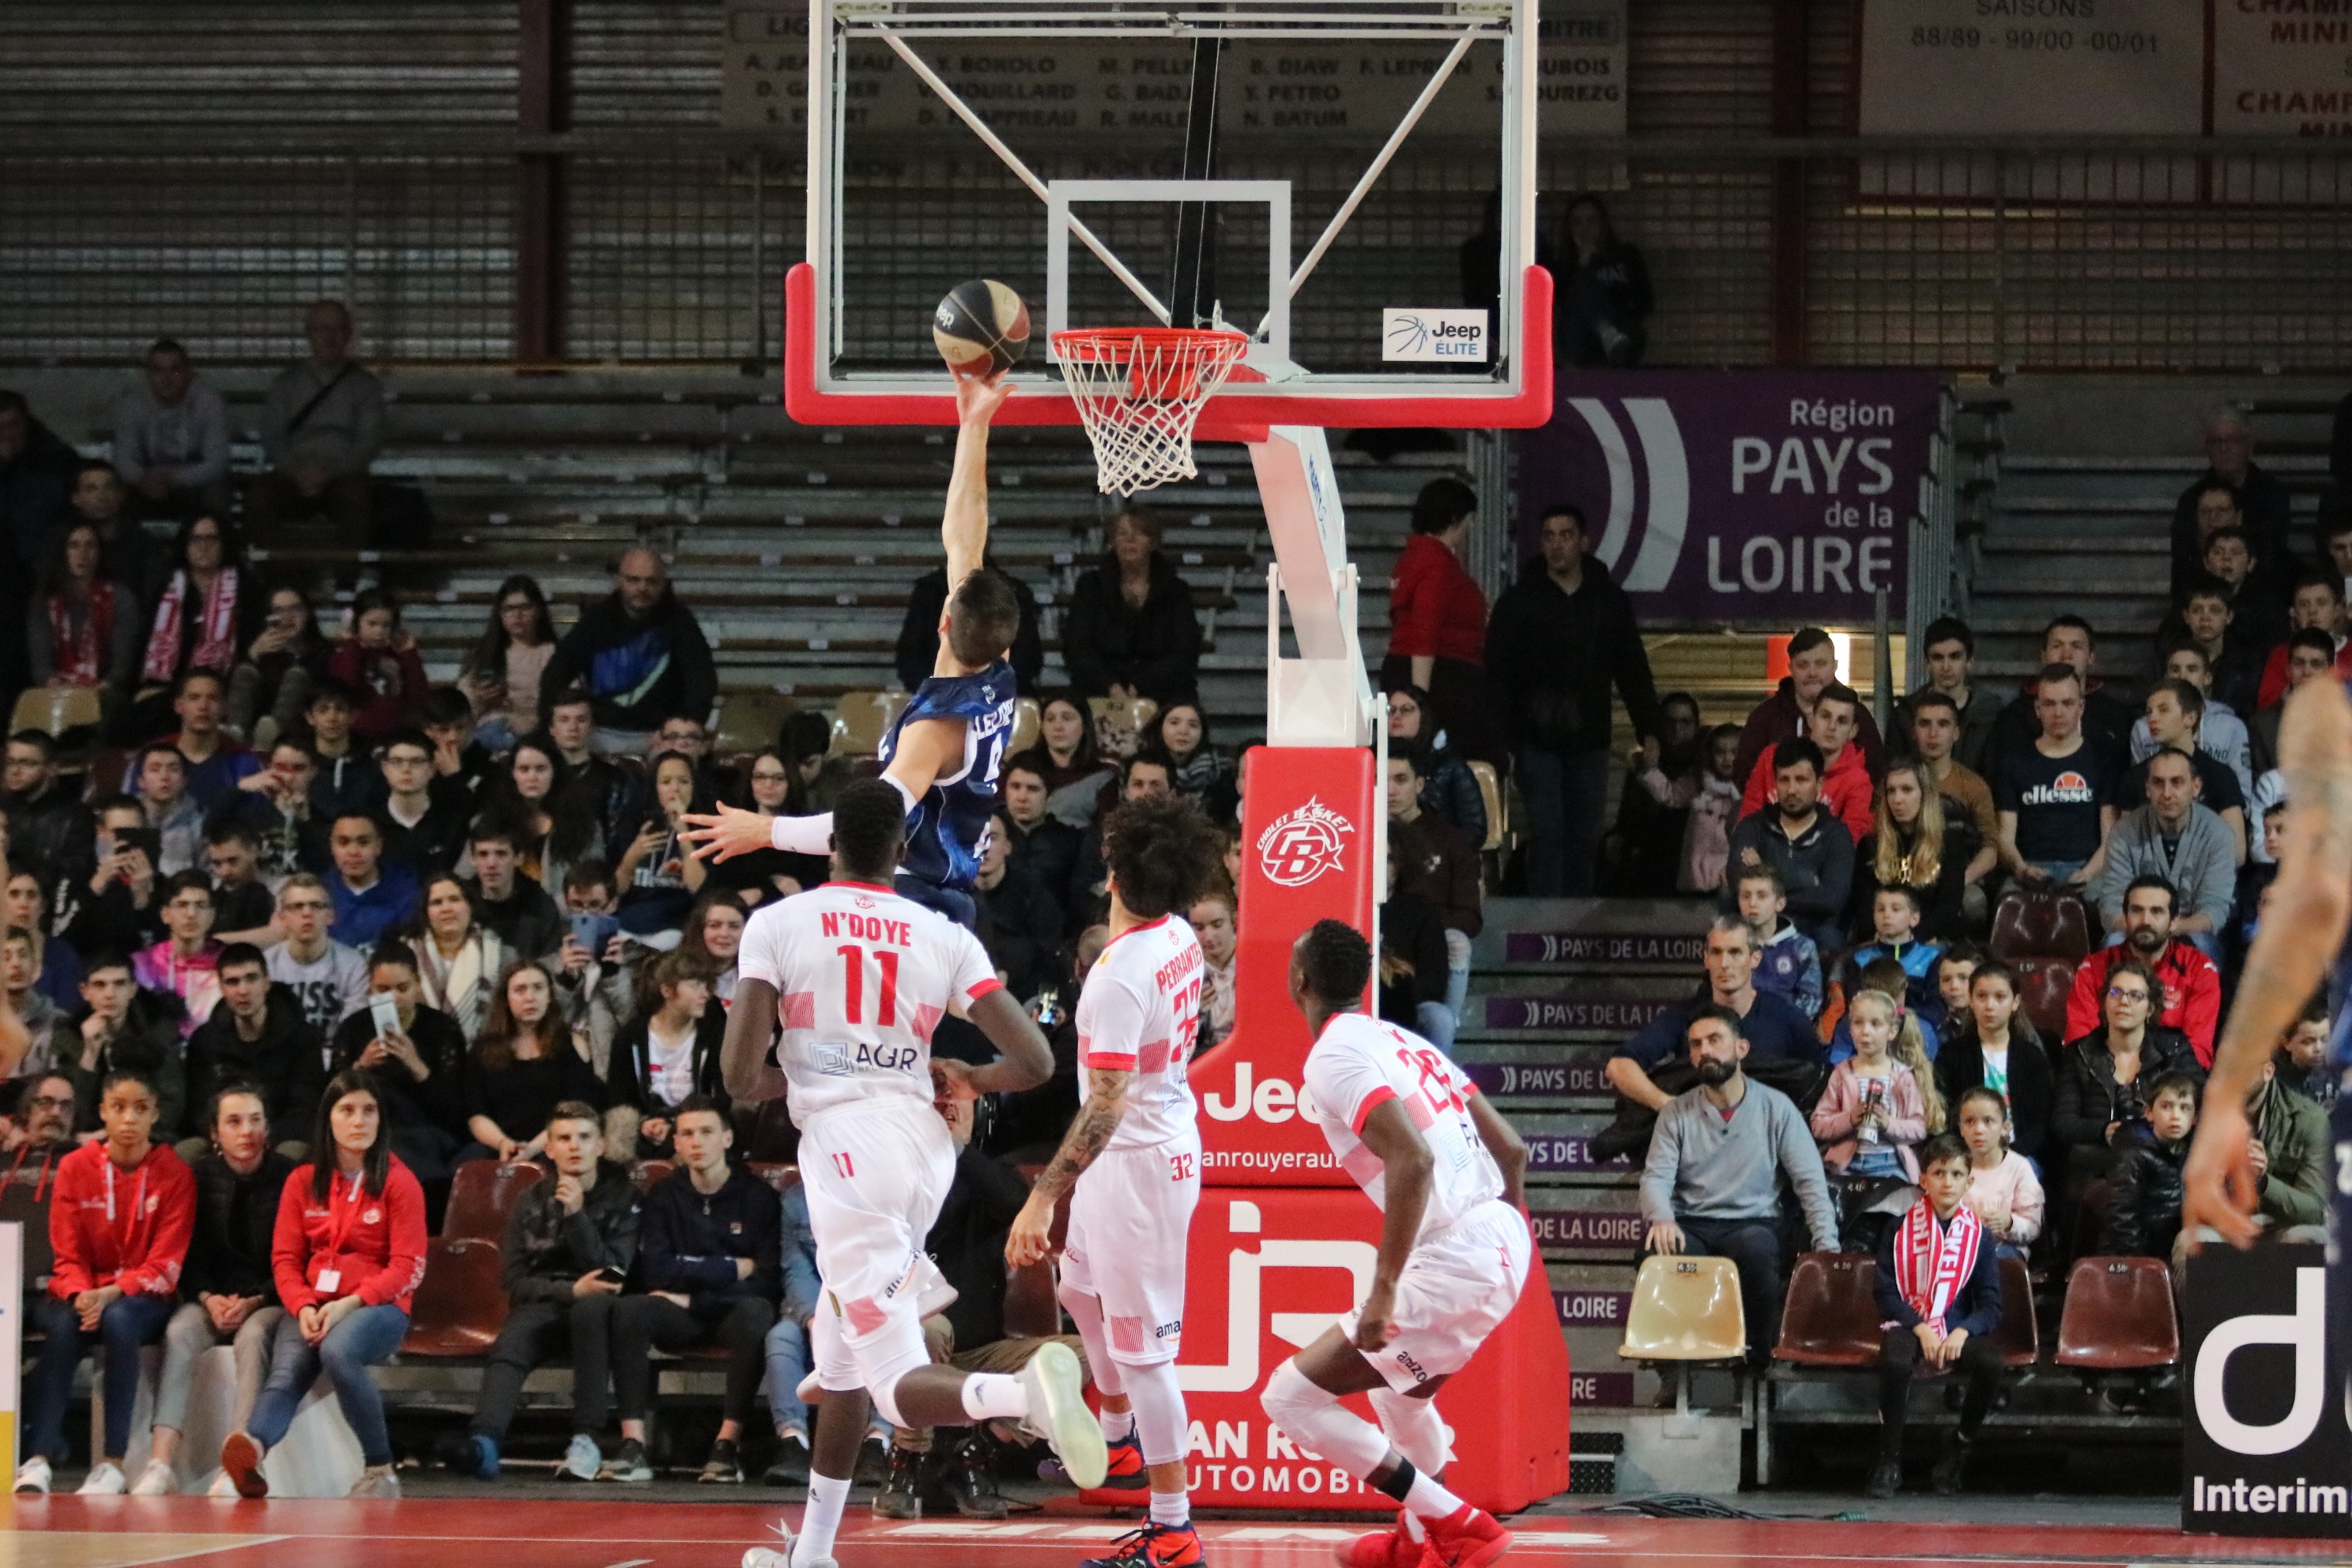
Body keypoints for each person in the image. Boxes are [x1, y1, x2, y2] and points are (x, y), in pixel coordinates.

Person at [722, 778, 1081, 1566]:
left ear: (831, 842)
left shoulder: (778, 923)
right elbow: (1038, 1059)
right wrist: (970, 1077)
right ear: (902, 848)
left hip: (850, 1149)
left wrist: (804, 1075)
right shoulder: (941, 931)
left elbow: (742, 1078)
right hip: (924, 1144)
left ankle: (1025, 1397)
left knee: (890, 1379)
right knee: (843, 1349)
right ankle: (813, 1552)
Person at [688, 378, 1025, 933]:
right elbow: (966, 535)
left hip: (919, 902)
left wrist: (764, 832)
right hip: (940, 895)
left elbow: (869, 823)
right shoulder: (999, 669)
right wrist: (974, 426)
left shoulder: (936, 732)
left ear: (942, 621)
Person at [1262, 918, 1532, 1568]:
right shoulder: (1402, 1039)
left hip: (1458, 1250)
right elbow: (1513, 1148)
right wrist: (1507, 1238)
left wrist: (1382, 1293)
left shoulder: (1332, 1056)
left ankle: (1459, 1522)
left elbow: (1412, 1161)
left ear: (1299, 981)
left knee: (1289, 1397)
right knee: (1401, 1397)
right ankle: (1415, 1542)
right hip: (1500, 1233)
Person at [1001, 792, 1224, 1568]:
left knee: (1147, 1355)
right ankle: (1121, 1438)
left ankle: (1173, 1530)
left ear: (1112, 872)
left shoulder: (1117, 978)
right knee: (1077, 1290)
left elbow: (1105, 1105)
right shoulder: (1177, 935)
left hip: (1137, 1166)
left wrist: (1042, 1194)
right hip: (1137, 1148)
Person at [220, 1070, 424, 1499]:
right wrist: (302, 1305)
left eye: (369, 1111)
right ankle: (252, 1450)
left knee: (337, 1350)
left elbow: (407, 1267)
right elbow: (285, 1259)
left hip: (379, 1307)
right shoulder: (302, 1181)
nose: (359, 1121)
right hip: (316, 1303)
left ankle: (380, 1469)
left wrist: (350, 1304)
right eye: (347, 1110)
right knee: (285, 1373)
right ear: (328, 1119)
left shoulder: (400, 1182)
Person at [12, 1069, 193, 1496]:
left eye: (140, 1109)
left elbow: (166, 1261)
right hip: (83, 1291)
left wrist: (110, 1293)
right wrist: (79, 1294)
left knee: (120, 1321)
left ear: (155, 1115)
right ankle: (38, 1458)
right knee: (58, 1325)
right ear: (102, 1114)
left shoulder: (174, 1173)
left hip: (141, 1297)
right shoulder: (76, 1167)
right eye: (118, 1108)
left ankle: (111, 1462)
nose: (129, 1119)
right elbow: (66, 1251)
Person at [439, 1100, 641, 1483]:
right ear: (549, 1149)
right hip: (549, 1299)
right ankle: (484, 1442)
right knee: (513, 1340)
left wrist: (577, 1215)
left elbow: (615, 1274)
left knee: (592, 1311)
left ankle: (586, 1439)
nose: (575, 1146)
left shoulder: (624, 1197)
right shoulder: (529, 1200)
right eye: (564, 1139)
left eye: (584, 1137)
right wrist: (570, 1290)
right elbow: (514, 1282)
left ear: (600, 1145)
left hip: (602, 1307)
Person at [1638, 1004, 1839, 1365]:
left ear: (1741, 1049)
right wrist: (1661, 1218)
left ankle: (1758, 1358)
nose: (1704, 1052)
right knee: (1660, 1253)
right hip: (1693, 1225)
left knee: (1758, 1248)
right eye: (1696, 1045)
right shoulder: (1676, 1114)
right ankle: (1674, 1369)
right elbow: (1656, 1176)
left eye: (1715, 1040)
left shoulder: (1777, 1108)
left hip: (1753, 1222)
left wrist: (1826, 1245)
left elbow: (1810, 1182)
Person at [1483, 502, 1660, 894]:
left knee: (1584, 836)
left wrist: (1649, 729)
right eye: (1549, 537)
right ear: (1540, 544)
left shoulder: (1609, 601)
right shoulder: (1517, 603)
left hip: (1591, 740)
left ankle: (1576, 925)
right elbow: (1498, 676)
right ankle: (1546, 923)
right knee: (1547, 833)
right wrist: (1502, 741)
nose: (1557, 545)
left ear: (1584, 541)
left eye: (1566, 535)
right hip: (1534, 739)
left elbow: (1632, 668)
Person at [597, 1099, 778, 1484]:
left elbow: (765, 1281)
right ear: (676, 1143)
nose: (696, 1141)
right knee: (630, 1310)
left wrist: (694, 1291)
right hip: (682, 1314)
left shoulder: (758, 1197)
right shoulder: (664, 1196)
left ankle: (726, 1444)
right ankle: (633, 1445)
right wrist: (732, 1268)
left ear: (727, 1138)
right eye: (687, 1133)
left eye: (707, 1132)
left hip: (730, 1313)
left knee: (757, 1312)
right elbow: (657, 1270)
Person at [137, 1081, 295, 1495]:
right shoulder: (197, 1177)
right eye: (234, 1121)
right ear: (215, 1133)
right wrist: (209, 1298)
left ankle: (238, 1463)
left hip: (268, 1297)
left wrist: (257, 1299)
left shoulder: (289, 1177)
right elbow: (187, 1255)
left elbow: (295, 1257)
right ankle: (160, 1464)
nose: (247, 1131)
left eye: (256, 1120)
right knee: (180, 1332)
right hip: (211, 1297)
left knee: (256, 1336)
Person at [1864, 1133, 2005, 1499]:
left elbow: (1990, 1306)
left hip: (1956, 1327)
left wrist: (1964, 1332)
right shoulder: (1897, 1230)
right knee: (1895, 1359)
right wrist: (1920, 1326)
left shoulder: (1980, 1238)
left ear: (1968, 1181)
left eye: (1957, 1174)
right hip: (1910, 1322)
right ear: (1923, 1179)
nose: (1948, 1182)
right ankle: (1889, 1460)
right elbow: (1885, 1292)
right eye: (1939, 1173)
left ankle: (1960, 1445)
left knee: (1991, 1364)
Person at [1607, 917, 1823, 1113]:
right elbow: (1618, 1066)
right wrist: (1665, 1104)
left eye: (1735, 952)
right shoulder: (1684, 1015)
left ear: (1755, 958)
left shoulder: (1787, 1018)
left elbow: (1820, 1081)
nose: (1724, 964)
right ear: (1706, 959)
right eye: (1716, 953)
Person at [2050, 957, 2201, 1206]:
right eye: (2116, 992)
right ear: (2105, 1001)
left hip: (2164, 1156)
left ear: (2151, 1008)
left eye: (2136, 996)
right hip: (2100, 1163)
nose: (2124, 1002)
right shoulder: (2080, 1054)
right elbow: (2063, 1123)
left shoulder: (2174, 1049)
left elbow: (2198, 1108)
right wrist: (2104, 1131)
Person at [536, 548, 716, 755]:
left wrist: (679, 730)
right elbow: (556, 672)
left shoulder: (681, 623)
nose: (642, 588)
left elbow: (702, 680)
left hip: (658, 736)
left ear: (664, 584)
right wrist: (549, 725)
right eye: (633, 580)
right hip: (599, 731)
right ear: (619, 581)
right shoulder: (596, 620)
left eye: (651, 581)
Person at [328, 948, 469, 1193]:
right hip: (367, 1128)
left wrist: (416, 1065)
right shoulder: (354, 1028)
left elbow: (456, 1108)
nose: (393, 998)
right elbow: (328, 1097)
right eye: (383, 990)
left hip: (425, 1132)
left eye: (402, 989)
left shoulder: (442, 1029)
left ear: (417, 984)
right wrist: (360, 1066)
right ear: (370, 988)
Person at [1381, 477, 1499, 767]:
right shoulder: (1436, 564)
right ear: (1456, 519)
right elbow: (1425, 630)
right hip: (1443, 681)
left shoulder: (1414, 557)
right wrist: (1420, 703)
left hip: (1420, 673)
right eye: (1468, 519)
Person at [248, 301, 383, 540]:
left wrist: (329, 473)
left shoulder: (366, 386)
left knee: (358, 500)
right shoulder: (285, 384)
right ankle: (274, 573)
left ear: (349, 335)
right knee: (259, 496)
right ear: (308, 334)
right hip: (291, 472)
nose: (330, 337)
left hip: (344, 474)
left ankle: (346, 576)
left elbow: (367, 444)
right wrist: (295, 470)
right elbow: (272, 436)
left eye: (338, 329)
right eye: (321, 329)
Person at [2089, 752, 2236, 967]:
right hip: (2137, 930)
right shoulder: (2123, 833)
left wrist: (2163, 929)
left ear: (2196, 787)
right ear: (2147, 789)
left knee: (2204, 947)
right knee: (2114, 942)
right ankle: (2117, 999)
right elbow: (2112, 907)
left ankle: (2201, 1001)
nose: (2167, 793)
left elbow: (2213, 912)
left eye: (2177, 782)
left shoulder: (2218, 834)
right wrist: (2147, 930)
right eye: (2158, 783)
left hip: (2191, 930)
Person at [128, 515, 261, 743]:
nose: (204, 547)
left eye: (211, 539)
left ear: (224, 544)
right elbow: (144, 642)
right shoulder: (167, 588)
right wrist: (145, 686)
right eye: (196, 539)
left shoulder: (246, 589)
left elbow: (249, 647)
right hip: (166, 687)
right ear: (185, 546)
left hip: (221, 688)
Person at [2067, 874, 2223, 1065]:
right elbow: (2081, 1043)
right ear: (2125, 917)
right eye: (2136, 911)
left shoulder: (2199, 969)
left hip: (2171, 1083)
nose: (2145, 921)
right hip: (2106, 1078)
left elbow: (2197, 1050)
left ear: (2173, 922)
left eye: (2157, 912)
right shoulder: (2093, 968)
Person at [458, 959, 601, 1164]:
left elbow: (579, 1109)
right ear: (506, 999)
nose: (530, 997)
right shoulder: (483, 1050)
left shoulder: (571, 1045)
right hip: (498, 1148)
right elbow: (476, 1114)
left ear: (550, 995)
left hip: (557, 1147)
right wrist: (503, 1143)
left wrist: (533, 1148)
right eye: (520, 990)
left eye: (538, 988)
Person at [184, 945, 326, 1150]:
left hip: (280, 1138)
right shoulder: (205, 1040)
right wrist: (227, 1138)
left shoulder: (302, 1037)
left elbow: (306, 1108)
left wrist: (264, 1137)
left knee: (292, 1151)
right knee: (187, 1151)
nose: (243, 990)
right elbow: (198, 1108)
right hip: (223, 1138)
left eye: (251, 979)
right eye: (233, 982)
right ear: (222, 988)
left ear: (266, 982)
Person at [1992, 664, 2116, 891]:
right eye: (2050, 704)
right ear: (2038, 709)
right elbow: (2005, 837)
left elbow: (2110, 838)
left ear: (2081, 708)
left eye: (2067, 703)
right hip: (2030, 868)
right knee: (2008, 907)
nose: (2058, 712)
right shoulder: (2014, 761)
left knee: (2106, 907)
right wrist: (2021, 869)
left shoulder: (2102, 759)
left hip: (2088, 869)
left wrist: (2087, 873)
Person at [1059, 510, 1202, 706]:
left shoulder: (1175, 590)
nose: (1130, 540)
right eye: (1122, 533)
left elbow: (1185, 652)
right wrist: (1112, 686)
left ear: (1153, 542)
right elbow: (1077, 648)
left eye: (1139, 533)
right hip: (1099, 692)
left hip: (1163, 693)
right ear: (1113, 542)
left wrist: (1141, 685)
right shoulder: (1090, 587)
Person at [1724, 738, 1855, 952]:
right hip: (1759, 928)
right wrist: (1806, 883)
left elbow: (1832, 899)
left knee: (1831, 937)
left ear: (1819, 784)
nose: (1791, 790)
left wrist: (1767, 878)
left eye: (1801, 780)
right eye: (1784, 780)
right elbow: (1736, 878)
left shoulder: (1836, 834)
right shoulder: (1753, 826)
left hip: (1814, 933)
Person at [1388, 745, 1481, 1029]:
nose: (1390, 790)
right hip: (1379, 929)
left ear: (1419, 784)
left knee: (1457, 942)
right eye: (1382, 780)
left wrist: (1424, 927)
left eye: (1401, 780)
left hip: (1431, 935)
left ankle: (1443, 1027)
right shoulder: (1358, 833)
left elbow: (1470, 915)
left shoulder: (1450, 840)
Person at [605, 949, 725, 1161]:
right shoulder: (632, 1035)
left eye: (706, 986)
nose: (705, 994)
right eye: (695, 985)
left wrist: (674, 1125)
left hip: (694, 1127)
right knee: (618, 1129)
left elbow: (719, 1099)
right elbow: (619, 1097)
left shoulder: (713, 1035)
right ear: (667, 991)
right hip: (644, 1128)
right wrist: (644, 1124)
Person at [1933, 961, 2055, 1165]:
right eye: (1981, 996)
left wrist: (2010, 1155)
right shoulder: (1952, 1054)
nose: (1990, 1006)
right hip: (1967, 1155)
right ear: (1971, 1000)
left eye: (2000, 997)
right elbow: (1945, 1115)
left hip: (2019, 1156)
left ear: (2015, 1002)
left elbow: (2041, 1124)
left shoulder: (2031, 1057)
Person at [1733, 627, 1887, 788]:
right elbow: (1745, 776)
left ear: (1835, 666)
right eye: (1803, 665)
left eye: (1820, 664)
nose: (1812, 673)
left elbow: (1876, 775)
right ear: (1790, 668)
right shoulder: (1765, 718)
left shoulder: (1858, 715)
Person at [59, 953, 187, 1143]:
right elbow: (71, 1111)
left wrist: (114, 1135)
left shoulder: (157, 1032)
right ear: (85, 991)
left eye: (119, 984)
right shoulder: (68, 1035)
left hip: (149, 1138)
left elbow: (171, 1105)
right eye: (100, 985)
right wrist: (90, 1054)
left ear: (132, 989)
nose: (110, 994)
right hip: (86, 1139)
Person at [2171, 409, 2297, 601]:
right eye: (2216, 442)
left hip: (2261, 588)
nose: (2224, 448)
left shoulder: (2272, 494)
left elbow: (2272, 548)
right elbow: (2183, 551)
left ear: (2249, 446)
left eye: (2232, 440)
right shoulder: (2191, 498)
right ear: (2206, 448)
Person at [1812, 988, 1932, 1185]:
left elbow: (1919, 1128)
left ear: (1892, 1031)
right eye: (1858, 1023)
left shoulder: (1903, 1077)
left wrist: (1888, 1124)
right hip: (1846, 1166)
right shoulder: (1842, 1073)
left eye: (1875, 1024)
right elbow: (1818, 1125)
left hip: (1891, 1165)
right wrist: (1849, 1119)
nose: (1865, 1031)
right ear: (1850, 1028)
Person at [2121, 680, 2248, 864]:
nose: (2152, 718)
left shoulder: (2220, 775)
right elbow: (2125, 846)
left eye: (2163, 710)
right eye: (2149, 712)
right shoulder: (2135, 777)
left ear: (2190, 718)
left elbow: (2236, 853)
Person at [1988, 617, 2135, 775]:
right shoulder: (2015, 715)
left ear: (2091, 656)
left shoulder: (2116, 715)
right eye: (2057, 646)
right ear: (2043, 655)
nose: (2066, 655)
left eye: (2076, 646)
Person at [1851, 759, 1977, 942]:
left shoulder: (1949, 843)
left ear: (1925, 794)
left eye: (1907, 790)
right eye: (1891, 791)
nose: (1897, 799)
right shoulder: (1871, 845)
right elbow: (1863, 908)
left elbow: (1948, 908)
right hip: (1881, 941)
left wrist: (1911, 938)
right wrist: (1888, 937)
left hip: (1931, 941)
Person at [473, 735, 605, 908]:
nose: (532, 777)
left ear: (555, 773)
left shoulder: (584, 826)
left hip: (564, 920)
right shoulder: (490, 822)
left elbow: (596, 884)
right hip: (502, 916)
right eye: (524, 769)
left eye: (541, 769)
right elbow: (464, 877)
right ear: (513, 774)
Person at [1739, 681, 1874, 848]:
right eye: (1825, 716)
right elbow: (1748, 816)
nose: (1832, 727)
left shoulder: (1858, 780)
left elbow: (1849, 840)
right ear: (1811, 720)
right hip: (1765, 860)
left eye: (1842, 721)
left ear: (1853, 731)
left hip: (1820, 866)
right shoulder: (1771, 757)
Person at [112, 339, 232, 523]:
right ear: (147, 375)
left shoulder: (210, 402)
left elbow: (217, 461)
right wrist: (143, 478)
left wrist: (176, 480)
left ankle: (216, 545)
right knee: (117, 490)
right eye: (157, 370)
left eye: (174, 370)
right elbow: (123, 458)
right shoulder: (132, 404)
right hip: (147, 485)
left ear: (188, 373)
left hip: (193, 485)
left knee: (217, 489)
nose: (166, 378)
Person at [895, 548, 1044, 695]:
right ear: (945, 628)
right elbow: (909, 657)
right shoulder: (929, 592)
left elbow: (1028, 658)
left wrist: (990, 691)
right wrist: (939, 692)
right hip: (940, 696)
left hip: (999, 698)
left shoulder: (1014, 592)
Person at [28, 520, 141, 709]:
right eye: (74, 546)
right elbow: (41, 665)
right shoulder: (44, 600)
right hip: (55, 693)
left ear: (100, 553)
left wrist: (98, 691)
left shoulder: (121, 598)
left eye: (90, 546)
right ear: (62, 552)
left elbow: (122, 664)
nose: (83, 554)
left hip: (104, 693)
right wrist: (60, 690)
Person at [458, 574, 558, 754]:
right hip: (490, 730)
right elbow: (460, 708)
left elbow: (568, 701)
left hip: (536, 731)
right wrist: (479, 698)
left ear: (538, 611)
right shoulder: (485, 653)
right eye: (509, 609)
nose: (517, 615)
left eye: (524, 608)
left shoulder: (552, 653)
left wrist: (534, 718)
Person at [616, 749, 710, 934]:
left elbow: (700, 890)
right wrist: (631, 858)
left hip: (678, 929)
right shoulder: (633, 826)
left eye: (683, 782)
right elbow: (615, 892)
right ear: (655, 788)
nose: (675, 789)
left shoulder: (705, 832)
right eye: (666, 782)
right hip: (628, 925)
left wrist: (683, 833)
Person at [1897, 617, 2006, 775]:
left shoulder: (1993, 714)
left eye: (1954, 657)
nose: (1946, 667)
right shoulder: (1905, 715)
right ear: (1927, 663)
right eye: (1937, 657)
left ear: (1969, 661)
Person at [1555, 192, 1653, 368]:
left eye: (1592, 221)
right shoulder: (1563, 266)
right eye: (1577, 221)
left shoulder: (1627, 255)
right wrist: (1582, 266)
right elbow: (1563, 307)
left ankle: (1610, 336)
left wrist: (1610, 306)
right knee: (1581, 288)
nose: (1584, 228)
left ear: (1603, 225)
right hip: (1582, 340)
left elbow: (1645, 300)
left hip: (1623, 331)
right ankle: (1606, 334)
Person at [974, 812, 1064, 1003]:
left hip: (1024, 997)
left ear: (1007, 846)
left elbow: (1049, 962)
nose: (983, 846)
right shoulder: (952, 895)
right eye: (975, 836)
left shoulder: (1035, 895)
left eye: (992, 837)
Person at [266, 873, 369, 1038]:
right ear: (282, 918)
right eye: (297, 906)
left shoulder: (354, 965)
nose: (307, 913)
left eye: (316, 905)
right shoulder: (267, 964)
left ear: (331, 916)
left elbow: (353, 1028)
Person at [410, 873, 511, 1041]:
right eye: (436, 903)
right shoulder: (405, 955)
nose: (446, 908)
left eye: (455, 899)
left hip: (488, 1052)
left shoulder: (501, 955)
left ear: (470, 905)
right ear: (426, 912)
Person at [1385, 685, 1488, 848]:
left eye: (1406, 710)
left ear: (1424, 717)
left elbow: (1474, 829)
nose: (1396, 716)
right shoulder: (1371, 762)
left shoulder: (1450, 765)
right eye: (1390, 710)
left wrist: (1437, 850)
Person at [1955, 1085, 2044, 1256]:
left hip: (2005, 1251)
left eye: (1988, 1121)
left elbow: (2033, 1227)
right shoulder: (1955, 1168)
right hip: (1961, 1251)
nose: (1978, 1130)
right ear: (1961, 1129)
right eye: (1969, 1121)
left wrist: (2010, 1223)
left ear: (2005, 1127)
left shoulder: (2020, 1168)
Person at [135, 870, 224, 1041]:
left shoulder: (228, 966)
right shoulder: (142, 966)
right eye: (182, 905)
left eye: (200, 905)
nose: (191, 914)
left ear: (212, 915)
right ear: (165, 915)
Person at [236, 583, 325, 746]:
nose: (287, 617)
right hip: (255, 727)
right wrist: (252, 656)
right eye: (278, 611)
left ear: (307, 613)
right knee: (244, 670)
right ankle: (234, 734)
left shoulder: (324, 650)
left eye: (295, 609)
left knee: (296, 675)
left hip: (304, 726)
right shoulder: (259, 651)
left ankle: (273, 733)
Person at [4, 730, 96, 888]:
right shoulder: (2, 810)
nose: (15, 771)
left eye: (27, 763)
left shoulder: (75, 815)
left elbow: (76, 872)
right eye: (11, 762)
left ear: (52, 768)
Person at [378, 729, 473, 880]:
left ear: (432, 769)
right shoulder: (370, 823)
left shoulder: (452, 820)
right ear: (384, 768)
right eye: (397, 762)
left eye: (416, 762)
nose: (406, 769)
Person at [466, 819, 567, 959]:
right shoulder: (461, 902)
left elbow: (551, 961)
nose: (491, 864)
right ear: (472, 859)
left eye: (501, 854)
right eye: (483, 854)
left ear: (519, 858)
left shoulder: (540, 906)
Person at [1736, 865, 1822, 1020]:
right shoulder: (1730, 944)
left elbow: (1811, 999)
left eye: (1762, 896)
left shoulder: (1802, 947)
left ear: (1780, 904)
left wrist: (1782, 1026)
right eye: (1746, 896)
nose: (1752, 903)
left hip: (1784, 1030)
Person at [325, 813, 420, 952]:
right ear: (332, 847)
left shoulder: (407, 894)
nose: (353, 852)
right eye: (344, 842)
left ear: (379, 846)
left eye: (363, 842)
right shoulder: (319, 892)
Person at [1847, 887, 1943, 1020]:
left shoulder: (1930, 957)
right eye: (1880, 909)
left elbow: (1936, 1008)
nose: (1887, 915)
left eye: (1896, 909)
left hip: (1916, 1028)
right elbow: (1854, 1003)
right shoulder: (1860, 958)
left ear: (1914, 918)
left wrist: (1902, 1015)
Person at [1675, 724, 1746, 894]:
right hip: (1695, 875)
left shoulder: (1747, 792)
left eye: (1734, 752)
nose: (1727, 758)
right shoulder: (1700, 785)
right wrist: (1649, 771)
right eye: (1720, 752)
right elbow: (1671, 793)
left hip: (1728, 877)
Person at [1148, 701, 1237, 824]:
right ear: (1160, 727)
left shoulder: (1221, 775)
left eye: (1193, 725)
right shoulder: (1143, 770)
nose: (1183, 731)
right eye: (1174, 723)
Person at [131, 743, 205, 876]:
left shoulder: (200, 822)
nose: (164, 777)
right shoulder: (125, 818)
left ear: (184, 781)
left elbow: (211, 874)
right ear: (141, 781)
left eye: (173, 769)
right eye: (155, 769)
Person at [1190, 888, 1237, 1054]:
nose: (1208, 937)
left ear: (1235, 921)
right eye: (1199, 928)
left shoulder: (1256, 962)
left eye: (1217, 925)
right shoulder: (1184, 973)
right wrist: (1193, 1015)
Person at [2277, 996, 2335, 1110]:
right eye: (2308, 1042)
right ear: (2287, 1043)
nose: (2319, 1048)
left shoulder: (2339, 1074)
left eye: (2325, 1040)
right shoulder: (2274, 1084)